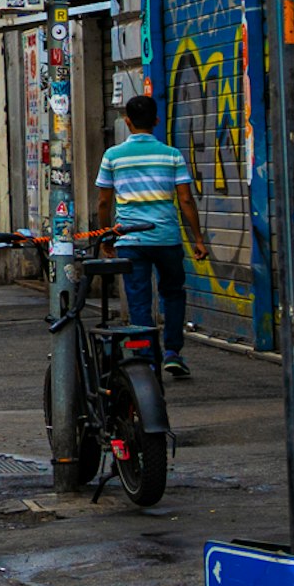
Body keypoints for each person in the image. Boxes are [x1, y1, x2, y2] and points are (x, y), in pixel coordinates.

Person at [93, 94, 203, 380]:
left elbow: (104, 202)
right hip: (167, 238)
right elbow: (186, 200)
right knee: (173, 293)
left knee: (139, 300)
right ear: (156, 120)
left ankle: (146, 359)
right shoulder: (171, 155)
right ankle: (173, 353)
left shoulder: (113, 156)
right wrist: (198, 240)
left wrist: (107, 237)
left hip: (131, 240)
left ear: (127, 122)